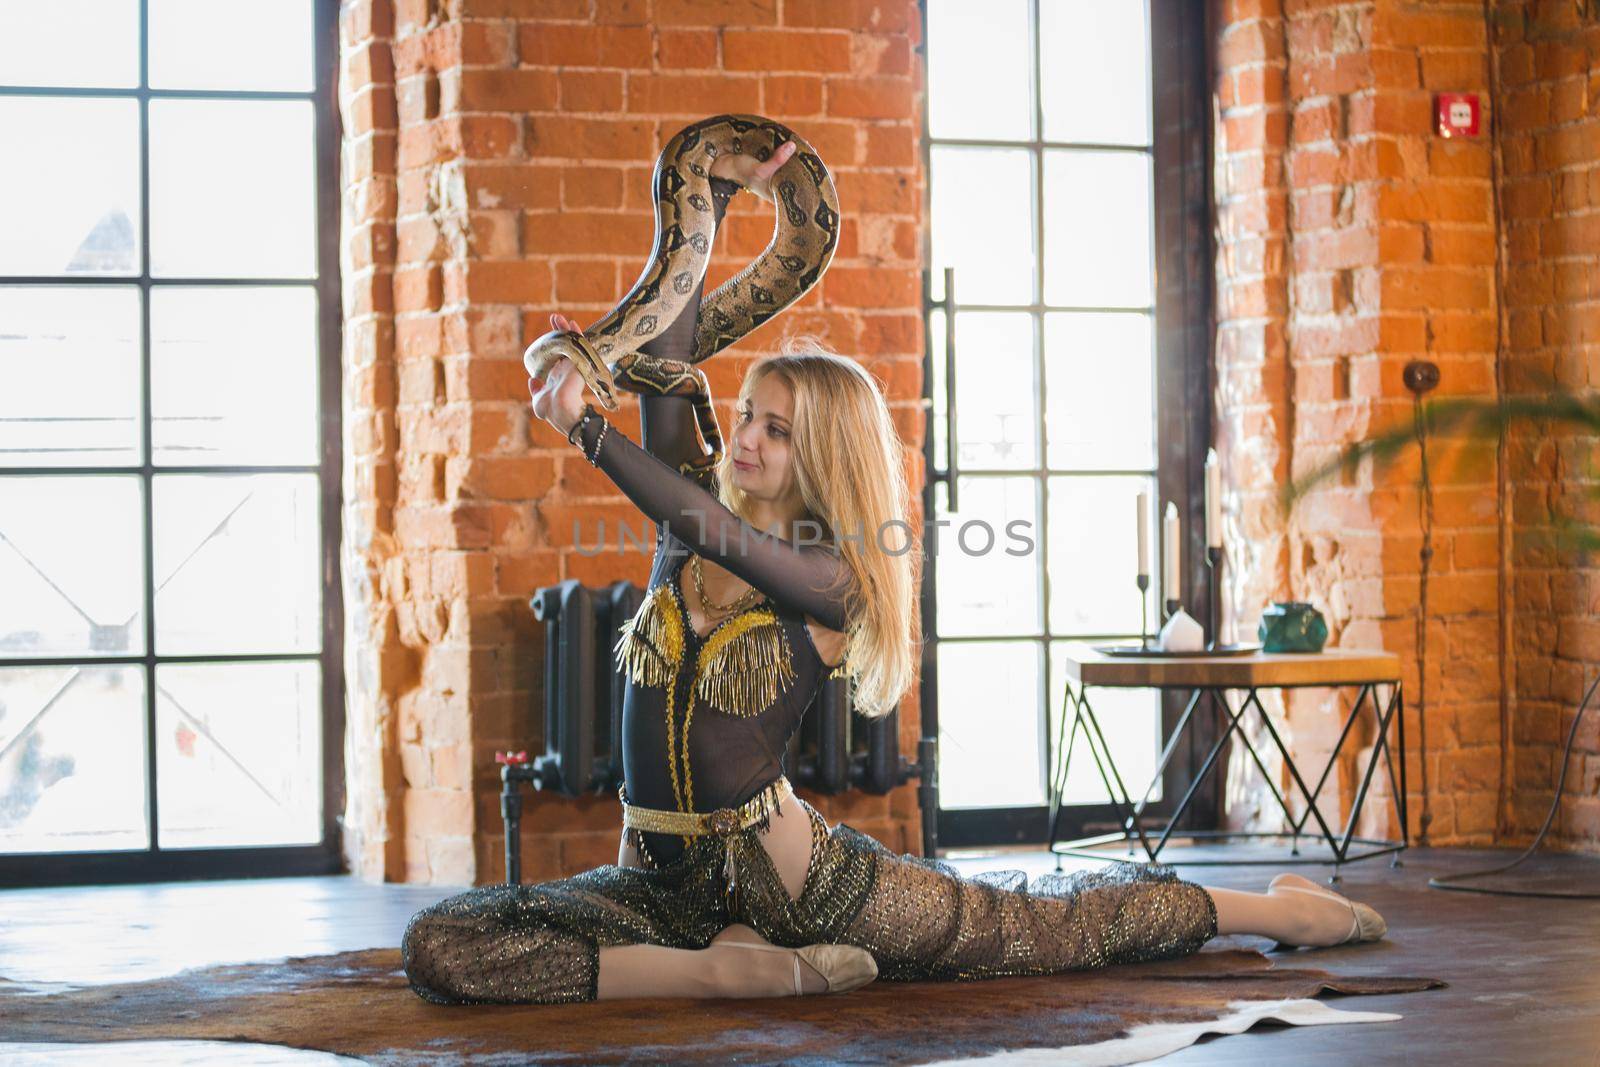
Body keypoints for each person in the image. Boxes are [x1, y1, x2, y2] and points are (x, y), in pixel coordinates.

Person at [400, 141, 1387, 1006]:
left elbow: (689, 509)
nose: (743, 437)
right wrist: (699, 180)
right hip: (652, 888)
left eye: (775, 429)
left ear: (823, 455)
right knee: (443, 943)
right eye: (745, 413)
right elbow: (667, 348)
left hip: (802, 885)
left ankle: (1271, 907)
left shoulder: (828, 575)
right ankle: (713, 969)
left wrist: (581, 423)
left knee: (1041, 925)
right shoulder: (692, 522)